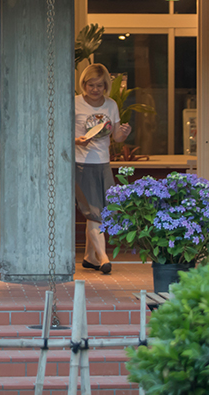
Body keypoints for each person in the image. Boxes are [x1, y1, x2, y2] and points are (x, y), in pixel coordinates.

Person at [74, 63, 131, 276]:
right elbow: (59, 133)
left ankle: (90, 258)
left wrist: (123, 133)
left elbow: (116, 137)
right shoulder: (75, 103)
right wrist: (76, 141)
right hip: (82, 163)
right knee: (93, 212)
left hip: (103, 163)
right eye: (91, 85)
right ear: (84, 84)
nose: (95, 89)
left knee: (103, 211)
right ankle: (103, 258)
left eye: (99, 85)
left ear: (106, 85)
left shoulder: (111, 105)